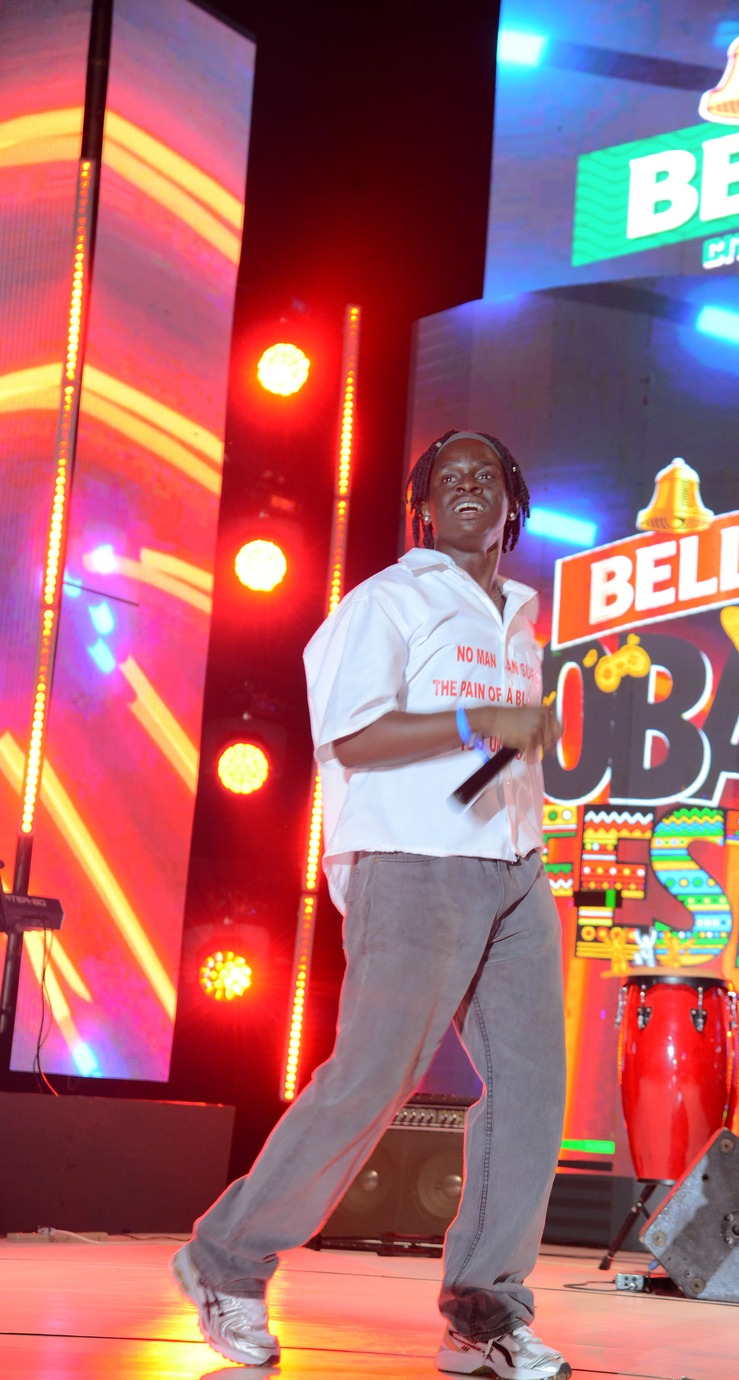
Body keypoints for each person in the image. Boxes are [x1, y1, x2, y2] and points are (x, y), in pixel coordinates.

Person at [171, 429, 570, 1379]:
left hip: (515, 866)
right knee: (373, 1076)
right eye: (447, 478)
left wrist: (522, 768)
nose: (466, 486)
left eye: (485, 476)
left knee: (531, 1091)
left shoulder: (521, 612)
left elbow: (503, 753)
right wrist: (480, 719)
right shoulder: (388, 599)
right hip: (414, 859)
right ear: (422, 508)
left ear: (513, 503)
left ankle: (485, 1311)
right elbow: (354, 735)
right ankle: (226, 1258)